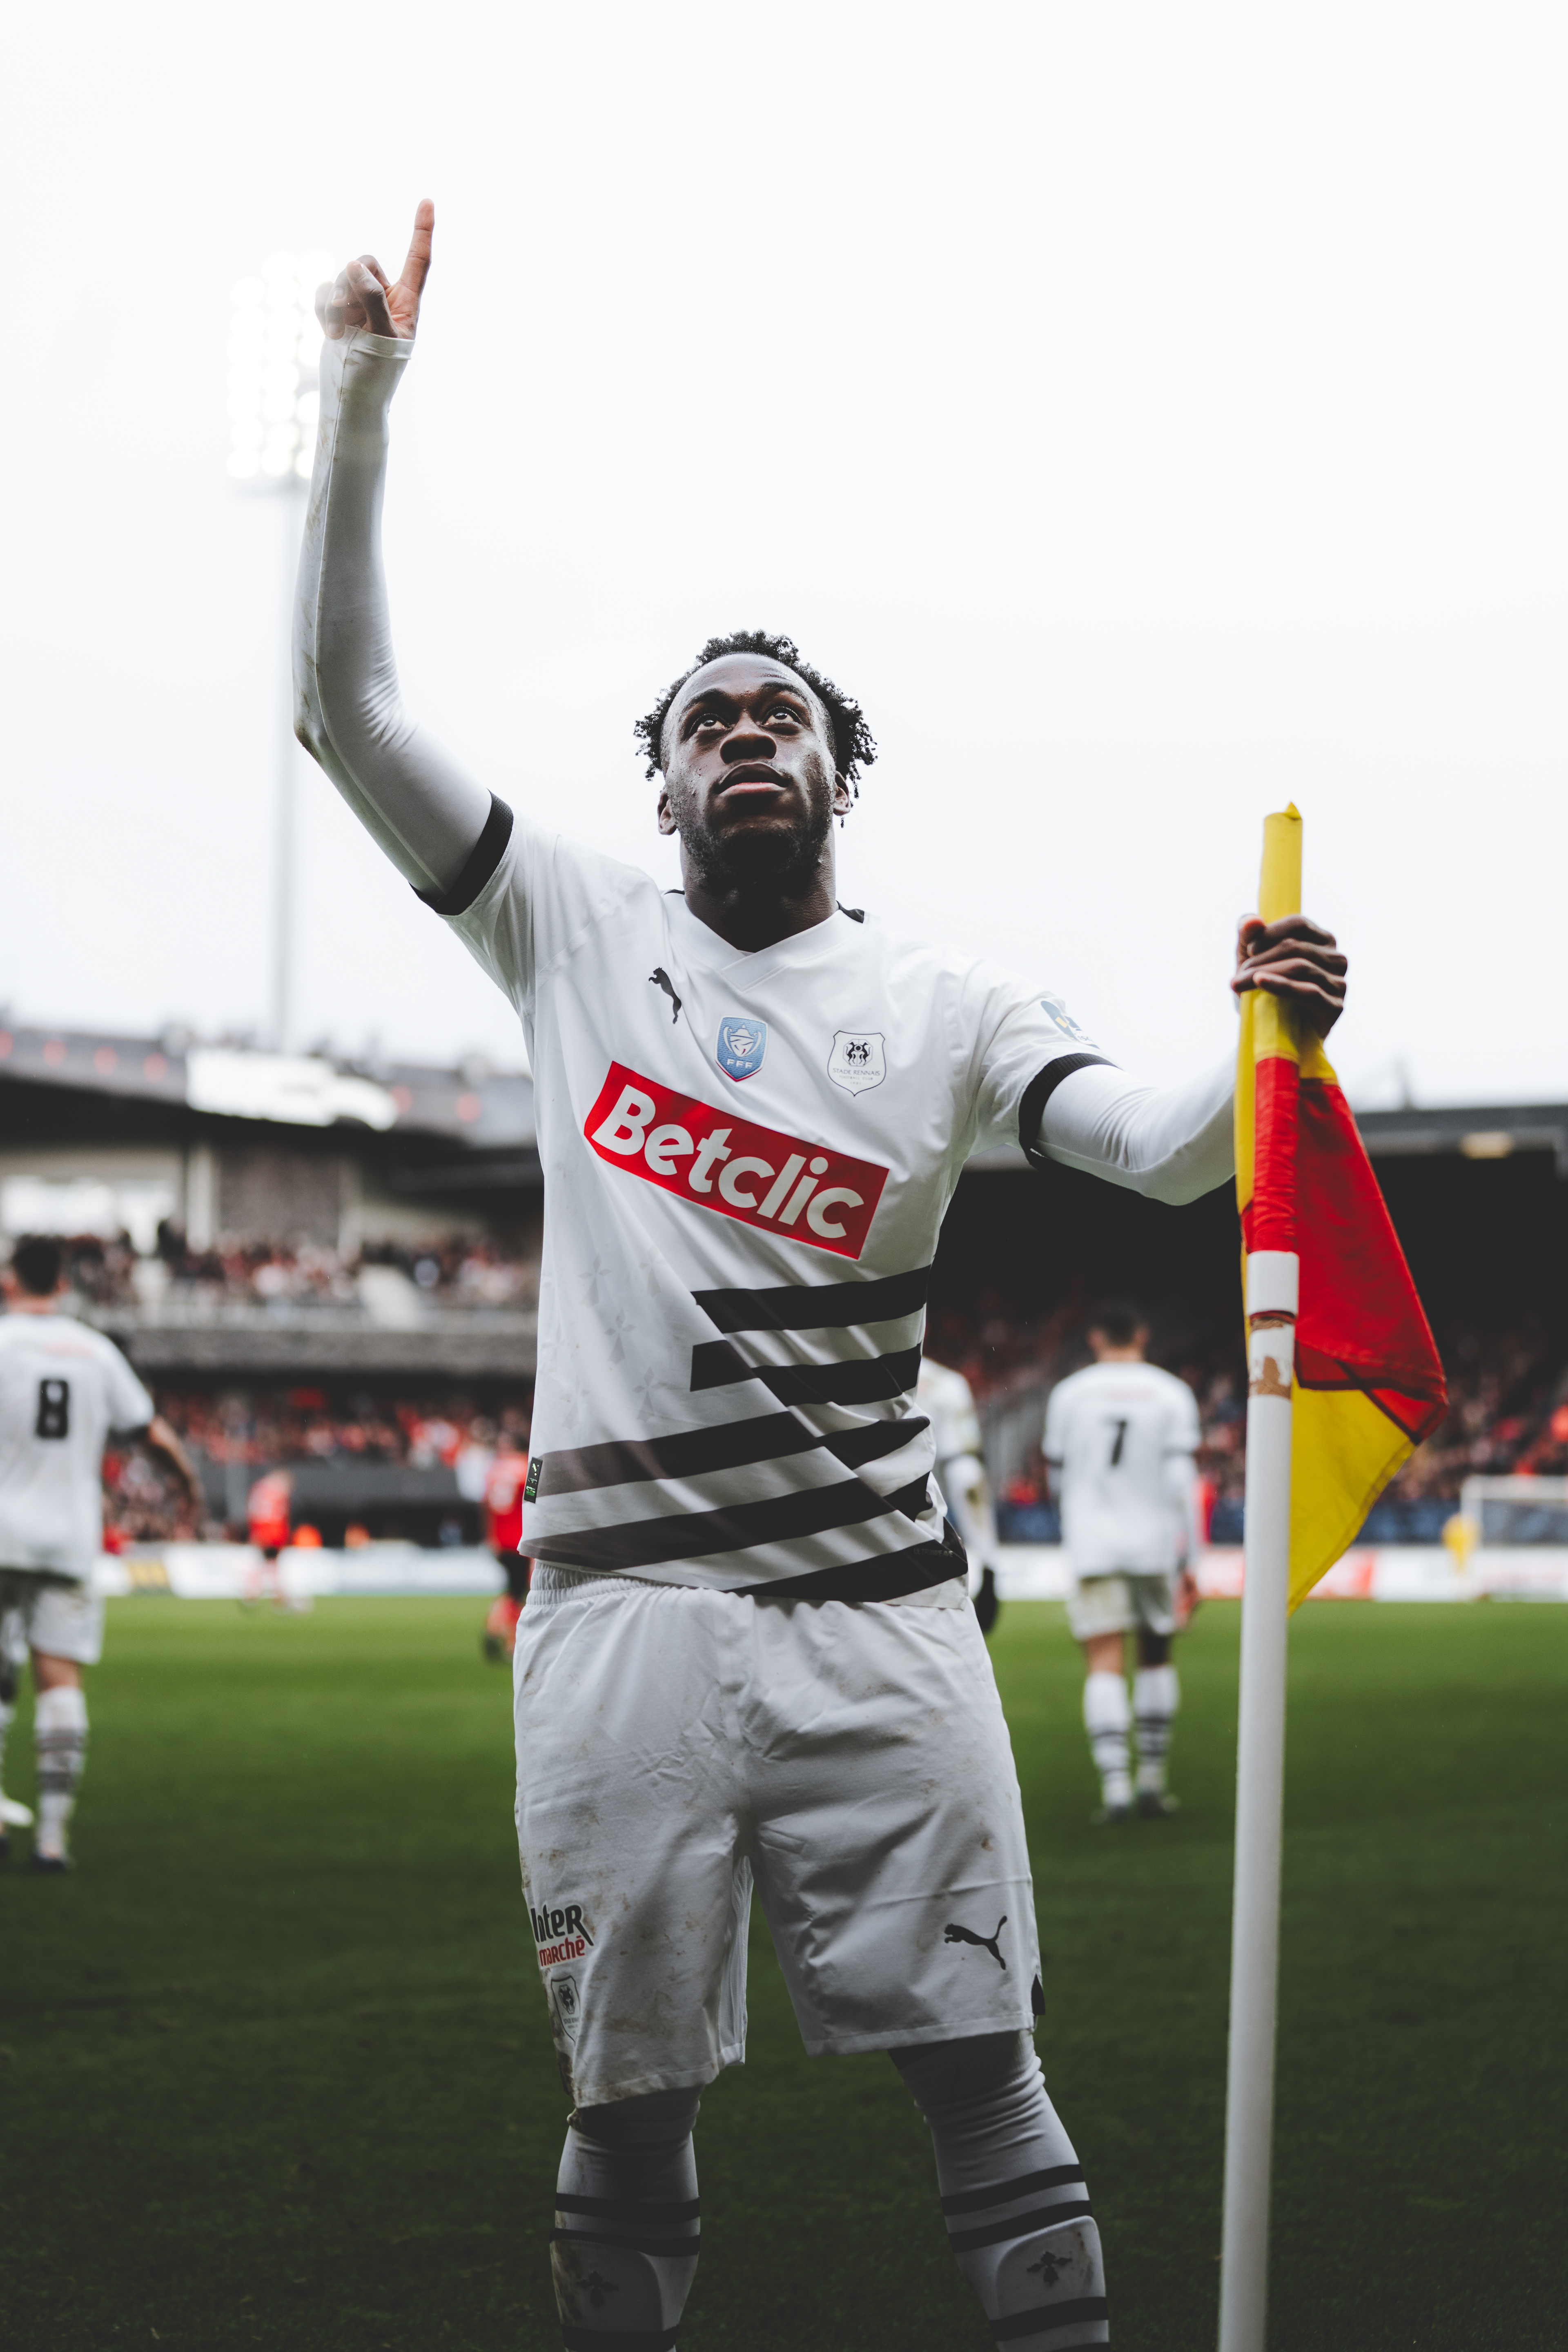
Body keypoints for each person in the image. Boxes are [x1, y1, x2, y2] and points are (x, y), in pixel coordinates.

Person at [292, 201, 1348, 2352]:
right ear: (665, 783)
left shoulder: (946, 1004)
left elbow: (1164, 1150)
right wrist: (361, 387)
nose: (746, 735)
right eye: (707, 720)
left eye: (781, 714)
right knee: (628, 2102)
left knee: (986, 2075)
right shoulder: (569, 931)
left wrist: (1268, 1041)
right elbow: (342, 706)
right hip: (626, 1618)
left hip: (884, 1620)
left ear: (837, 770)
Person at [0, 1235, 203, 1869]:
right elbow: (150, 1432)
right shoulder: (95, 1351)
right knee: (60, 1681)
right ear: (62, 1285)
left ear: (9, 1281)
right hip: (69, 1537)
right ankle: (52, 1840)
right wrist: (186, 1482)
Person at [1044, 1306, 1203, 1823]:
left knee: (1103, 1659)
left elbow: (1056, 1481)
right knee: (1156, 1655)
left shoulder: (1069, 1394)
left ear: (1095, 1338)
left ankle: (1115, 1789)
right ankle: (1153, 1783)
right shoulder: (1171, 1393)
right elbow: (1182, 1484)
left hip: (1093, 1544)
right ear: (1142, 1335)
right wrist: (1192, 1559)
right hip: (1155, 1546)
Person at [917, 1354, 1003, 1633]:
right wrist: (989, 1564)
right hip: (922, 1506)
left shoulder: (857, 1370)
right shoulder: (948, 1384)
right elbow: (966, 1473)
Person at [480, 1440, 532, 1663]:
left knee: (513, 1589)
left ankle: (496, 1627)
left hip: (500, 1540)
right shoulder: (529, 1468)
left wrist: (490, 1536)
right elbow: (533, 1498)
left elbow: (486, 1504)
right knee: (519, 1592)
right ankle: (508, 1639)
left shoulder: (496, 1470)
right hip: (520, 1540)